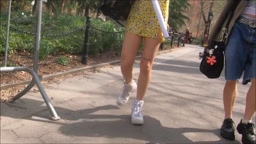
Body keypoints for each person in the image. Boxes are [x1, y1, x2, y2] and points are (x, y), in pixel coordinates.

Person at [209, 0, 255, 143]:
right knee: (231, 78)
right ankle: (228, 120)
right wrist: (213, 38)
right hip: (239, 27)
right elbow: (230, 6)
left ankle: (247, 122)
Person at [116, 0, 170, 125]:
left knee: (146, 65)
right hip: (137, 14)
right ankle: (129, 84)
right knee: (125, 61)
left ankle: (138, 104)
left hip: (157, 17)